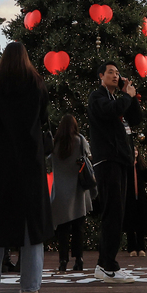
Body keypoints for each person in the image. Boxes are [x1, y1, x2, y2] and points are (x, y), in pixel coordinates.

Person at [0, 42, 52, 293]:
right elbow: (44, 117)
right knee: (31, 221)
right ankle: (30, 285)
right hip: (31, 160)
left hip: (2, 161)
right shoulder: (37, 84)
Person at [86, 60, 142, 282]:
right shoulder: (97, 97)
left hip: (120, 160)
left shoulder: (116, 99)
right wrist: (126, 97)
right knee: (112, 213)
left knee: (117, 214)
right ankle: (108, 265)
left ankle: (105, 264)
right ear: (101, 76)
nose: (115, 75)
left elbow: (136, 119)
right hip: (107, 161)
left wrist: (131, 97)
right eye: (110, 72)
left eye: (118, 72)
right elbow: (111, 111)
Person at [50, 113, 94, 273]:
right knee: (78, 228)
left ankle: (63, 260)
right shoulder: (80, 140)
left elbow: (48, 160)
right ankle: (79, 259)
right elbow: (88, 156)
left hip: (60, 192)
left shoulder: (54, 143)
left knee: (62, 229)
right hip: (78, 191)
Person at [125, 155, 147, 257]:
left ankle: (141, 248)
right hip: (129, 198)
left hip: (140, 198)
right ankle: (131, 248)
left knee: (140, 223)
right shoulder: (127, 165)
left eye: (136, 150)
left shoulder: (140, 166)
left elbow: (146, 178)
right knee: (130, 224)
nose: (135, 152)